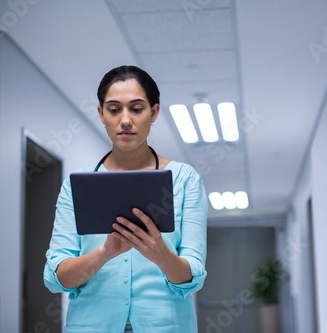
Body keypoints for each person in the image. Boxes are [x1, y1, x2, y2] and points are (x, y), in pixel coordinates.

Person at [43, 65, 208, 332]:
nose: (126, 120)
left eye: (136, 108)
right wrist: (104, 253)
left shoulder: (184, 180)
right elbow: (57, 278)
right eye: (114, 109)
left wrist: (160, 253)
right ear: (101, 114)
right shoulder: (77, 186)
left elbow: (192, 277)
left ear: (153, 112)